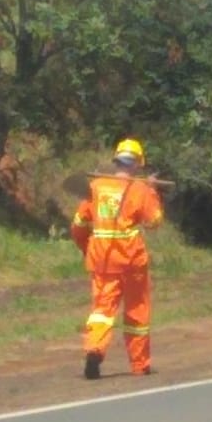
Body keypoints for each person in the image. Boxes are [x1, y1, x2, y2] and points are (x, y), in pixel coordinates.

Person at [70, 138, 164, 379]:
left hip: (102, 260)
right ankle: (139, 364)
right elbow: (154, 221)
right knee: (137, 312)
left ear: (116, 161)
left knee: (101, 310)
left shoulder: (97, 186)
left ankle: (94, 349)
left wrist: (87, 247)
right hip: (132, 261)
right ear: (137, 164)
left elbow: (79, 224)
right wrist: (152, 190)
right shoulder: (140, 189)